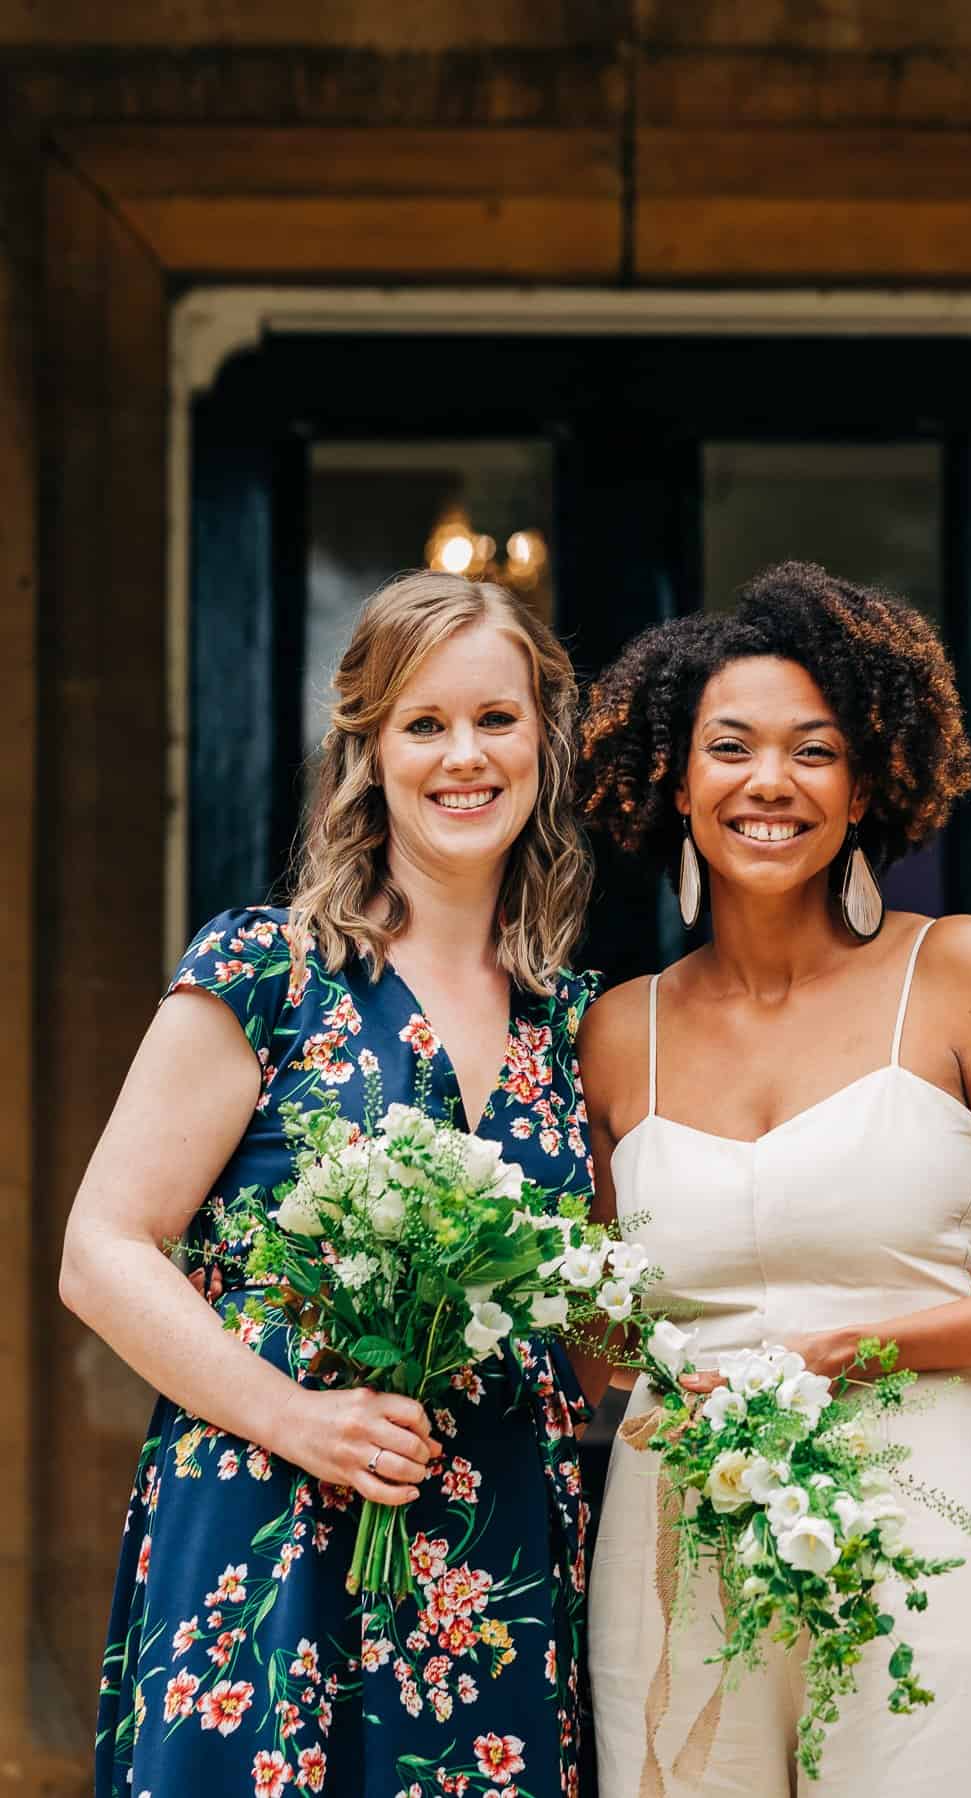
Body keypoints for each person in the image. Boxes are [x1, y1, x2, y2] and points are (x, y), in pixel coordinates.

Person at [576, 562, 971, 1798]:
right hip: (677, 1533)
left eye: (814, 751)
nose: (769, 781)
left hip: (921, 1518)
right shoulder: (619, 1031)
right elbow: (598, 1337)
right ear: (676, 780)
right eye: (730, 747)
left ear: (865, 785)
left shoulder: (960, 973)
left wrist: (860, 1351)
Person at [62, 570, 600, 1798]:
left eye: (496, 719)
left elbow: (595, 1332)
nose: (464, 756)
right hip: (266, 1529)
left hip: (493, 1556)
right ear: (369, 748)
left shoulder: (576, 1024)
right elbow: (102, 1249)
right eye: (425, 723)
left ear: (544, 742)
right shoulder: (268, 971)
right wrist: (296, 1416)